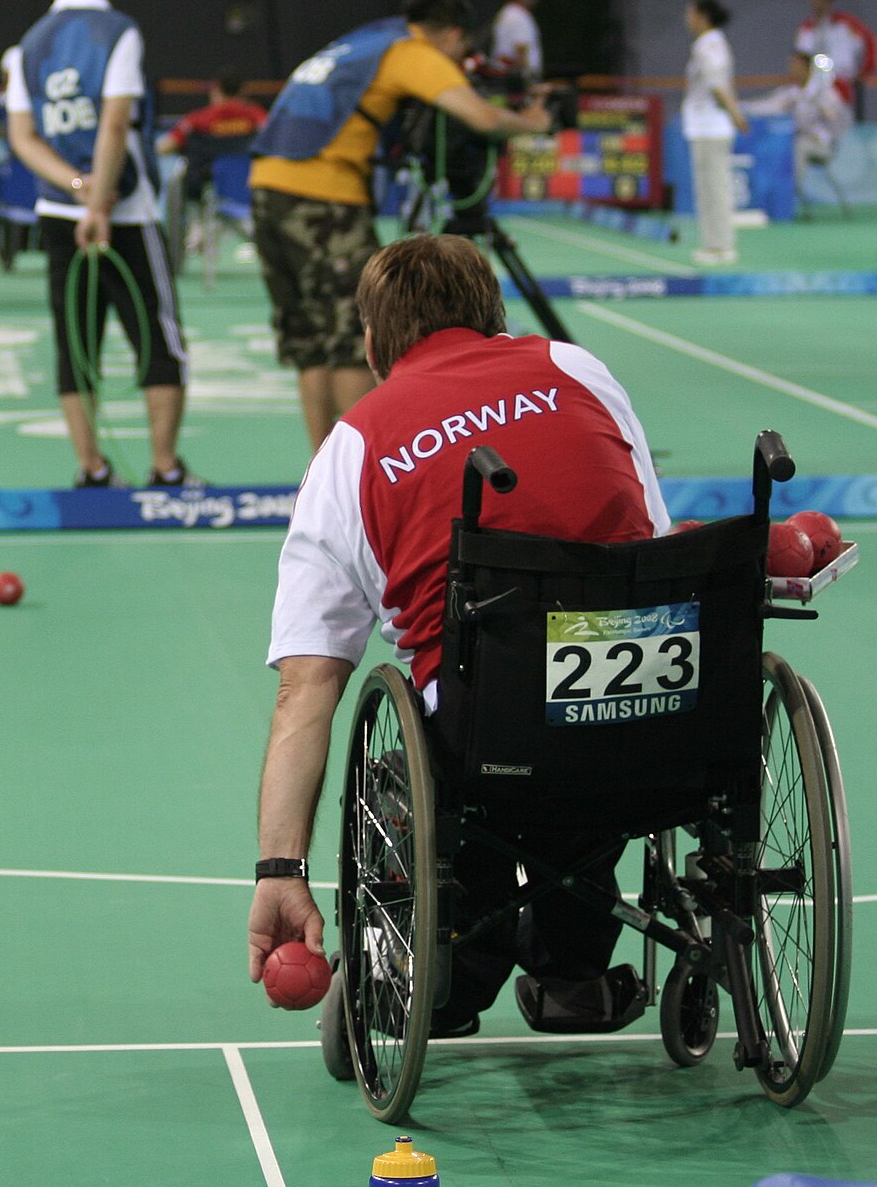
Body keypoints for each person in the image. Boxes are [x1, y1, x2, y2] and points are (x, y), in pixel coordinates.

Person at [248, 232, 667, 1034]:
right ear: (497, 317)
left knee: (468, 738)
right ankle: (572, 968)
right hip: (652, 708)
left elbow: (307, 690)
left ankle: (450, 976)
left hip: (493, 739)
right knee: (593, 705)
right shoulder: (577, 370)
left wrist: (280, 868)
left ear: (372, 346)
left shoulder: (351, 449)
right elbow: (653, 536)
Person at [249, 0, 551, 451]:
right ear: (452, 35)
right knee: (353, 339)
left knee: (308, 343)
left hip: (266, 186)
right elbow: (480, 117)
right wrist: (533, 122)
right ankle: (362, 475)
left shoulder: (363, 41)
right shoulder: (413, 52)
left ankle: (323, 473)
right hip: (322, 198)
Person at [6, 0, 190, 487]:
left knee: (74, 343)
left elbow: (22, 138)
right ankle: (164, 469)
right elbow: (115, 127)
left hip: (59, 214)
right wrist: (100, 205)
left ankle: (91, 470)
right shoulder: (118, 32)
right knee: (159, 340)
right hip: (125, 214)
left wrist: (76, 190)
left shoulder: (28, 45)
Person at [682, 0, 747, 267]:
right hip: (703, 126)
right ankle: (713, 244)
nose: (687, 18)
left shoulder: (710, 46)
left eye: (691, 12)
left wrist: (735, 114)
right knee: (706, 189)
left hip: (711, 127)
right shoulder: (705, 44)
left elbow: (718, 85)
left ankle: (722, 246)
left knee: (715, 189)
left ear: (703, 16)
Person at [744, 51, 851, 207]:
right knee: (774, 146)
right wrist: (739, 107)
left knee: (799, 147)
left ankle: (789, 196)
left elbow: (842, 119)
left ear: (808, 68)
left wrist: (828, 136)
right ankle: (770, 194)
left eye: (797, 65)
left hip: (821, 144)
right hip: (795, 139)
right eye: (792, 65)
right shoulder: (792, 93)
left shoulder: (823, 92)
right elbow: (768, 106)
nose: (793, 69)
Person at [794, 0, 874, 113]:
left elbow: (870, 43)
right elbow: (798, 62)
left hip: (841, 88)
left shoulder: (846, 24)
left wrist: (864, 71)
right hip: (811, 90)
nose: (815, 2)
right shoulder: (805, 30)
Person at [489, 0, 543, 80]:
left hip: (502, 76)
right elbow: (521, 50)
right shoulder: (519, 16)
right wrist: (527, 81)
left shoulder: (506, 13)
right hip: (517, 82)